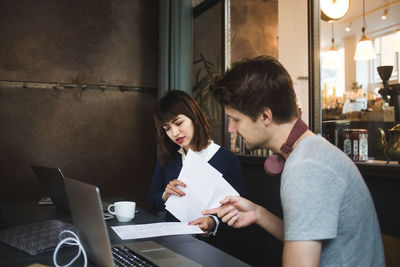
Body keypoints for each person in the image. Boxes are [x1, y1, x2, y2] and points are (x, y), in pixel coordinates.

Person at [203, 56, 385, 267]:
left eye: (236, 119)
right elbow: (309, 236)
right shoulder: (310, 151)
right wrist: (258, 213)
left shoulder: (306, 166)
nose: (230, 128)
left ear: (265, 116)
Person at [147, 90, 243, 241]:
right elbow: (151, 201)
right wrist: (165, 196)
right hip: (173, 242)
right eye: (167, 128)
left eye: (178, 123)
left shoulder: (226, 159)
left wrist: (213, 222)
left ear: (194, 117)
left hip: (212, 247)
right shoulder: (168, 159)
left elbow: (238, 210)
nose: (174, 132)